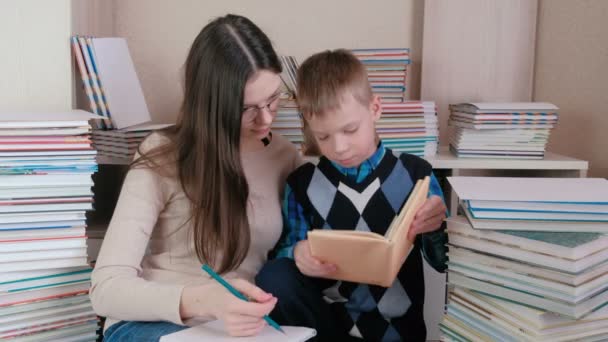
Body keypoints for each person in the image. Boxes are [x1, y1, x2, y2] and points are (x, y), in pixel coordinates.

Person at [90, 14, 301, 341]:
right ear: (213, 106)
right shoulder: (163, 155)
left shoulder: (286, 158)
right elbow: (105, 289)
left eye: (273, 99)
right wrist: (205, 299)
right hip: (148, 324)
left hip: (237, 330)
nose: (267, 118)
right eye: (248, 109)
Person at [256, 49, 448, 341]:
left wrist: (435, 227)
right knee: (274, 275)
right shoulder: (302, 184)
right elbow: (285, 249)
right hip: (330, 329)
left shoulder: (415, 173)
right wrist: (297, 253)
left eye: (350, 129)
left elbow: (441, 261)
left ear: (375, 108)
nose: (340, 147)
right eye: (323, 137)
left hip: (398, 331)